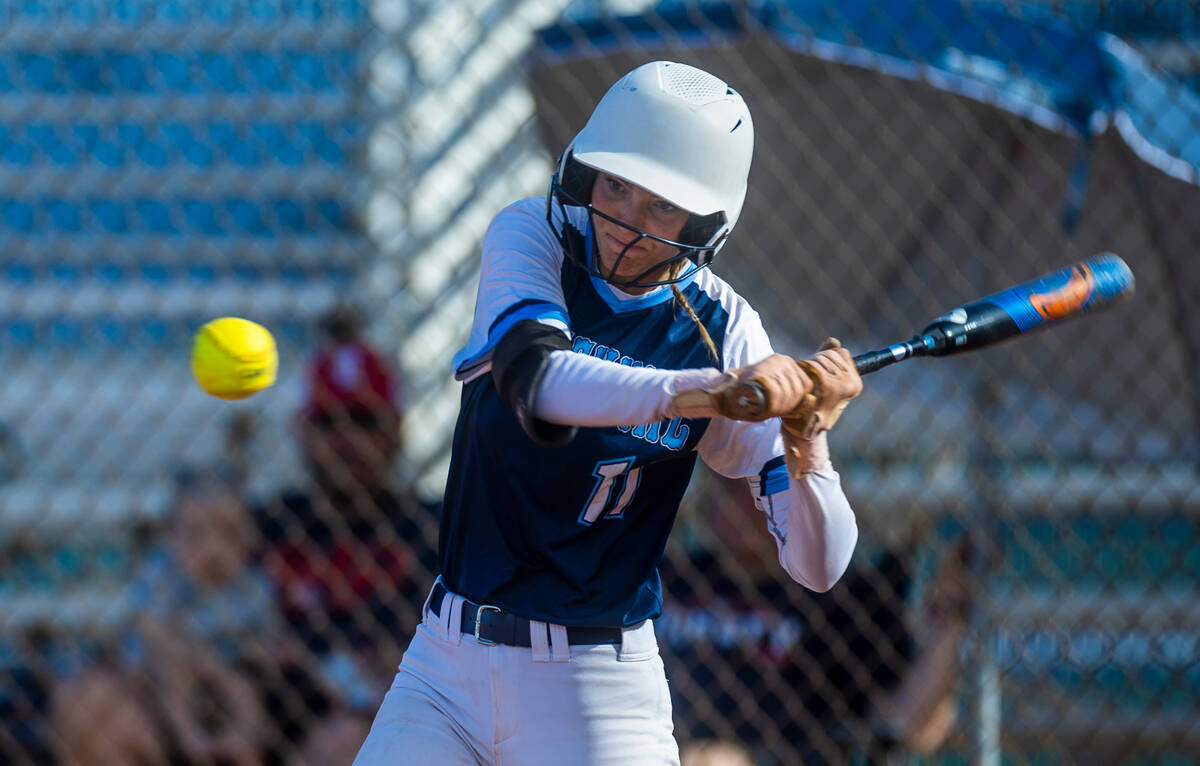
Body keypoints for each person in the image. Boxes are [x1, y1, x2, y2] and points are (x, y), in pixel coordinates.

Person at [353, 60, 863, 765]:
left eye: (661, 206)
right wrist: (708, 393)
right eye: (615, 186)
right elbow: (540, 382)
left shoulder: (726, 330)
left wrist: (809, 440)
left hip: (596, 689)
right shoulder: (532, 236)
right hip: (447, 664)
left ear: (705, 223)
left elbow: (818, 565)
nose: (624, 221)